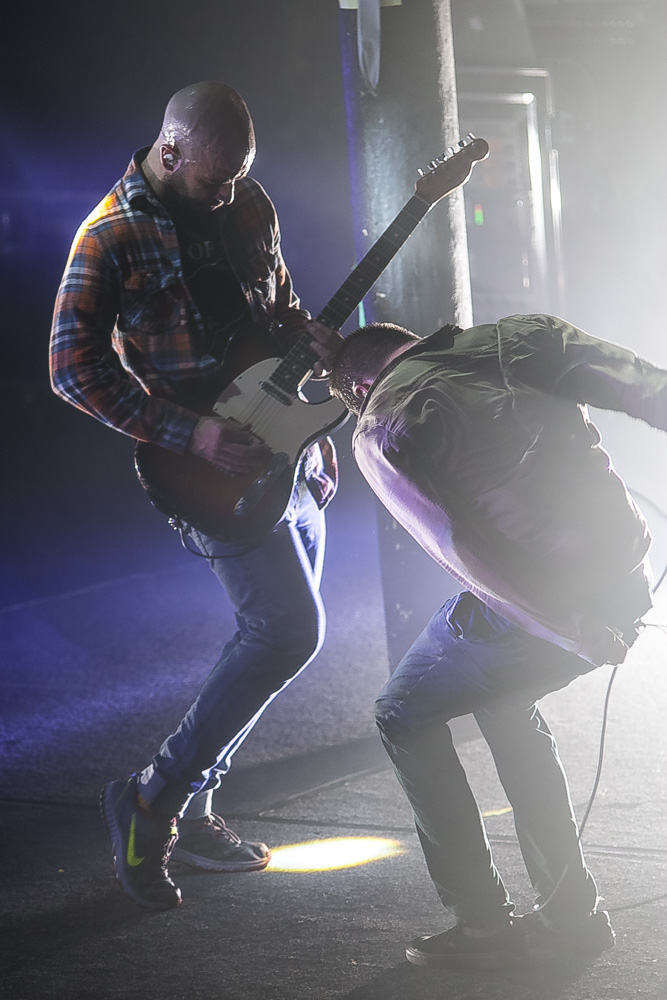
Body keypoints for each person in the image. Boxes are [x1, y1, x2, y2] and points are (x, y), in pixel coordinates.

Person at [50, 81, 343, 910]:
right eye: (216, 181)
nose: (230, 195)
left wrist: (311, 380)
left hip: (282, 449)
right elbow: (72, 370)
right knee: (288, 632)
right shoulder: (111, 236)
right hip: (205, 469)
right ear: (169, 153)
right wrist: (192, 433)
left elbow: (277, 308)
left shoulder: (246, 202)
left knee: (264, 645)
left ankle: (196, 803)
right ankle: (154, 797)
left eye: (240, 178)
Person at [329, 314, 667, 969]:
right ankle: (570, 915)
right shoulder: (516, 335)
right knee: (503, 702)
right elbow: (642, 385)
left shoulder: (379, 425)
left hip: (546, 609)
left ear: (359, 386)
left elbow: (459, 549)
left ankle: (483, 926)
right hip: (624, 579)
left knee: (401, 712)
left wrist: (563, 627)